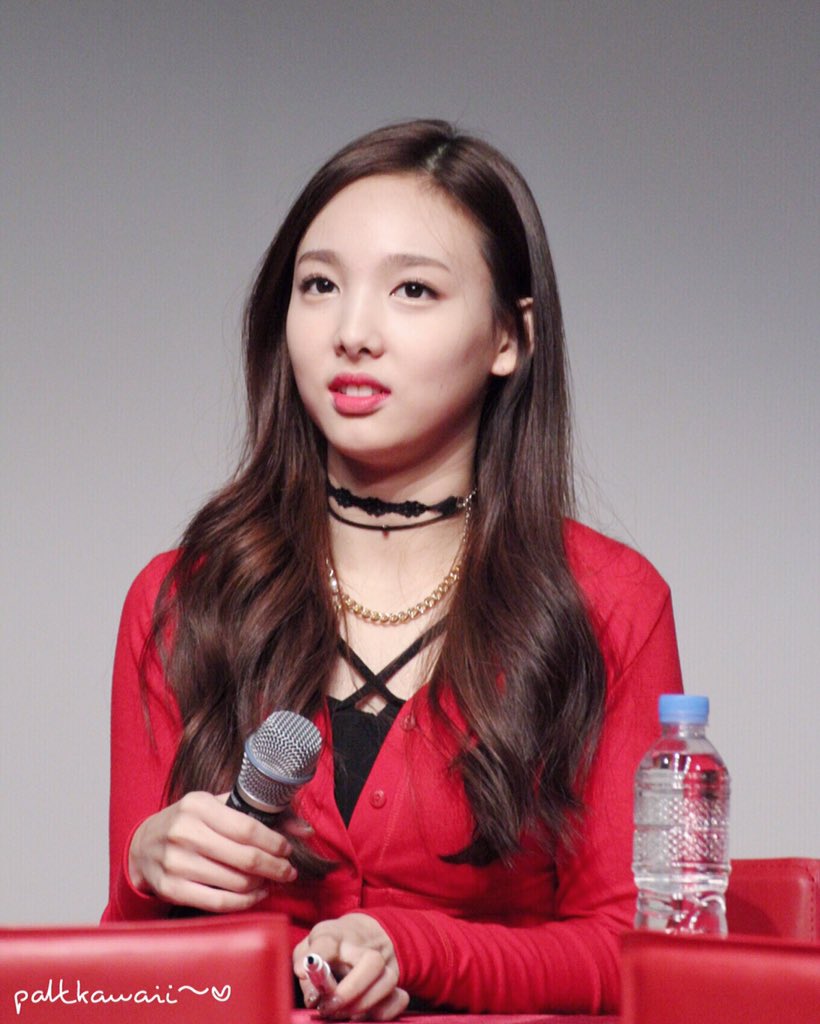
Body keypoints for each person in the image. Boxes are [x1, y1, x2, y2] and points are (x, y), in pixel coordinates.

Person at [102, 119, 683, 1018]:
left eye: (413, 289)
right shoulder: (184, 596)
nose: (352, 332)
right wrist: (147, 876)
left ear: (509, 337)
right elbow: (128, 980)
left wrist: (411, 948)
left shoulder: (609, 601)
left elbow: (632, 951)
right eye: (320, 285)